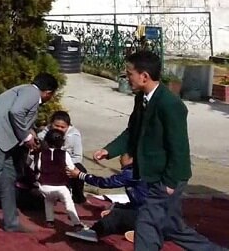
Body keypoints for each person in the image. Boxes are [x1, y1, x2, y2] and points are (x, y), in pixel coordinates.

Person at [93, 50, 225, 250]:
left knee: (146, 223)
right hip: (153, 174)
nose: (126, 77)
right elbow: (132, 132)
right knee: (173, 228)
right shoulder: (142, 99)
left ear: (144, 76)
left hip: (168, 177)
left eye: (129, 73)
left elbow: (179, 147)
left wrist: (170, 182)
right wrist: (108, 150)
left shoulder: (170, 104)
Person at [0, 71, 59, 232]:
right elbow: (16, 112)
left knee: (8, 179)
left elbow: (19, 116)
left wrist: (30, 133)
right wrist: (26, 137)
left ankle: (11, 222)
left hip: (3, 140)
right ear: (48, 92)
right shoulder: (32, 92)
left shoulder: (26, 91)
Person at [65, 153, 144, 244]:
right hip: (148, 210)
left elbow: (105, 183)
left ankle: (93, 232)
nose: (119, 159)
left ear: (132, 158)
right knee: (116, 208)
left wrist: (80, 175)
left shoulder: (132, 173)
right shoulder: (140, 170)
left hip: (148, 214)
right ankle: (141, 229)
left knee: (116, 215)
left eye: (122, 156)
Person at [35, 128, 83, 228]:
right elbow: (71, 168)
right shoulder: (64, 154)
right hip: (60, 186)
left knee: (48, 201)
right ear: (62, 142)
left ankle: (50, 221)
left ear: (46, 141)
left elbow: (39, 166)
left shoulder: (42, 153)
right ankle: (77, 223)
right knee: (69, 204)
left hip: (44, 185)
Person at [37, 110, 85, 205]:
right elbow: (39, 138)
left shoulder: (74, 136)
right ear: (51, 125)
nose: (59, 129)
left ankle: (78, 195)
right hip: (49, 160)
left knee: (80, 169)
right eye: (56, 126)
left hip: (67, 162)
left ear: (68, 127)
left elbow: (78, 157)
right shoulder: (47, 130)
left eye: (62, 127)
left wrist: (63, 163)